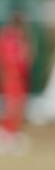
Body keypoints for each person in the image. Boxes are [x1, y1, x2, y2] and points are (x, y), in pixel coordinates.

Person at [0, 12, 32, 153]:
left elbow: (25, 59)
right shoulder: (9, 38)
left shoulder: (19, 38)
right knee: (11, 107)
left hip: (18, 77)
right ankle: (6, 135)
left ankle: (11, 133)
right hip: (11, 77)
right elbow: (11, 60)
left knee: (17, 107)